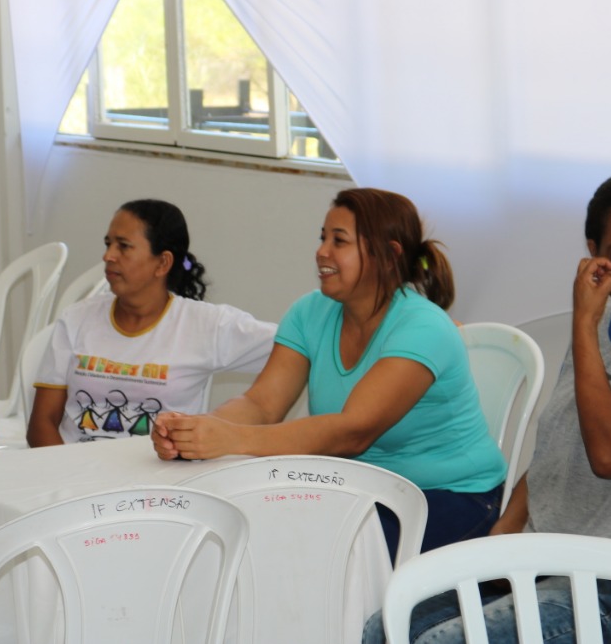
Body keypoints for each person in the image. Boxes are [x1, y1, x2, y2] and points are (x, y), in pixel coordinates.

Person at [362, 169, 611, 644]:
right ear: (595, 254)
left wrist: (584, 322)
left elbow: (609, 454)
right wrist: (503, 535)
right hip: (549, 564)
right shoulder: (601, 326)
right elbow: (559, 445)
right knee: (384, 628)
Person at [153, 188, 506, 555]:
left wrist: (232, 438)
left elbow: (352, 432)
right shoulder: (310, 312)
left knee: (306, 553)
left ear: (389, 256)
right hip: (361, 489)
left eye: (340, 241)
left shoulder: (423, 328)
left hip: (452, 496)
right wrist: (198, 431)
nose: (322, 251)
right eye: (323, 237)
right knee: (246, 528)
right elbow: (262, 404)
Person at [27, 199, 276, 446]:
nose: (108, 256)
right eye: (108, 244)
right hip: (74, 468)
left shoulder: (206, 325)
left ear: (163, 263)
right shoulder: (76, 319)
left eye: (124, 246)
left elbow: (291, 346)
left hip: (160, 468)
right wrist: (70, 472)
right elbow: (41, 424)